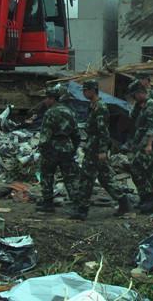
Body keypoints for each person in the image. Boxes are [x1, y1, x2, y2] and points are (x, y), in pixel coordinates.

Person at [70, 81, 131, 220]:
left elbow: (103, 131)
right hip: (93, 146)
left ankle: (82, 210)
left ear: (93, 90)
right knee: (105, 177)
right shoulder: (93, 106)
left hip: (96, 149)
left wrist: (102, 150)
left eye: (86, 90)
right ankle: (123, 201)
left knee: (87, 178)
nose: (84, 93)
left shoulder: (100, 107)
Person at [36, 84, 81, 213]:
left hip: (52, 148)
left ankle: (48, 203)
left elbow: (45, 135)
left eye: (47, 98)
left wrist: (43, 149)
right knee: (70, 177)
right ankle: (77, 204)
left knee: (47, 175)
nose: (45, 101)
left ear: (52, 99)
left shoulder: (50, 113)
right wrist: (73, 148)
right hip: (67, 148)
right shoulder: (69, 111)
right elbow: (76, 133)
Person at [127, 80, 153, 214]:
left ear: (139, 93)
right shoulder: (141, 105)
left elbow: (152, 127)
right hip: (142, 142)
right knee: (148, 172)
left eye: (134, 95)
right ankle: (147, 200)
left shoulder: (151, 105)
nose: (133, 98)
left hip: (150, 143)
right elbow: (133, 119)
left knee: (138, 168)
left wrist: (149, 145)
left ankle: (152, 199)